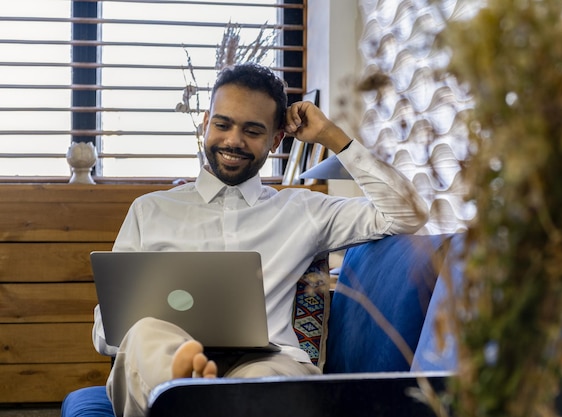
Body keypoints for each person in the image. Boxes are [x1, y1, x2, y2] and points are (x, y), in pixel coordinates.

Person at [92, 63, 428, 416]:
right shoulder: (149, 211)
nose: (233, 140)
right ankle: (187, 387)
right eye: (222, 124)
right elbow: (107, 330)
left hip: (267, 361)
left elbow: (407, 213)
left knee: (265, 381)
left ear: (276, 139)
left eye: (252, 130)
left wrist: (331, 135)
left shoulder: (303, 209)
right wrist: (143, 339)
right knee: (145, 335)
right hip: (166, 360)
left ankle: (191, 398)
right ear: (206, 123)